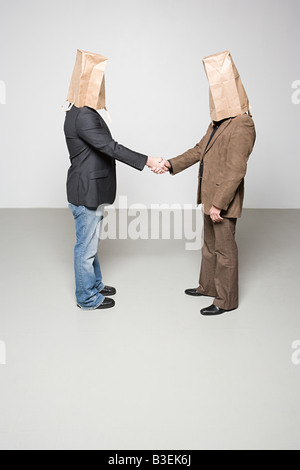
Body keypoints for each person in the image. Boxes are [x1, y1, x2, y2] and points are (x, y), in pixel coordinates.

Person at [64, 50, 169, 311]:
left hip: (91, 189)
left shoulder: (79, 111)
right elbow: (110, 147)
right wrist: (148, 160)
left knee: (91, 243)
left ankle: (94, 285)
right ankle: (86, 298)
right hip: (86, 190)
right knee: (85, 248)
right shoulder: (83, 115)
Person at [155, 51, 256, 316]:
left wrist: (219, 204)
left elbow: (236, 170)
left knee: (224, 250)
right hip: (209, 196)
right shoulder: (218, 121)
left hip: (221, 200)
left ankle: (226, 300)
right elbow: (199, 150)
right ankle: (207, 286)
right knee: (209, 246)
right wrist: (170, 164)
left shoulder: (242, 124)